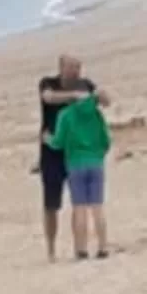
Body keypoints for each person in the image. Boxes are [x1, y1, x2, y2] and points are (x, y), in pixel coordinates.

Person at [36, 53, 102, 261]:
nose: (76, 72)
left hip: (76, 153)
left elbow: (101, 97)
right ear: (62, 68)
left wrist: (99, 96)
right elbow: (48, 97)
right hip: (51, 153)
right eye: (72, 68)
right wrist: (74, 96)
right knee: (51, 204)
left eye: (78, 68)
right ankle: (51, 249)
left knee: (79, 203)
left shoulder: (85, 85)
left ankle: (79, 247)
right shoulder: (48, 83)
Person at [50, 78, 112, 259]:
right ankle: (103, 247)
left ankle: (81, 249)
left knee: (80, 208)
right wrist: (98, 155)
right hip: (95, 163)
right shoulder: (96, 114)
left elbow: (58, 142)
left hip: (75, 164)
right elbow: (106, 141)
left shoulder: (66, 115)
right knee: (97, 207)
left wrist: (47, 139)